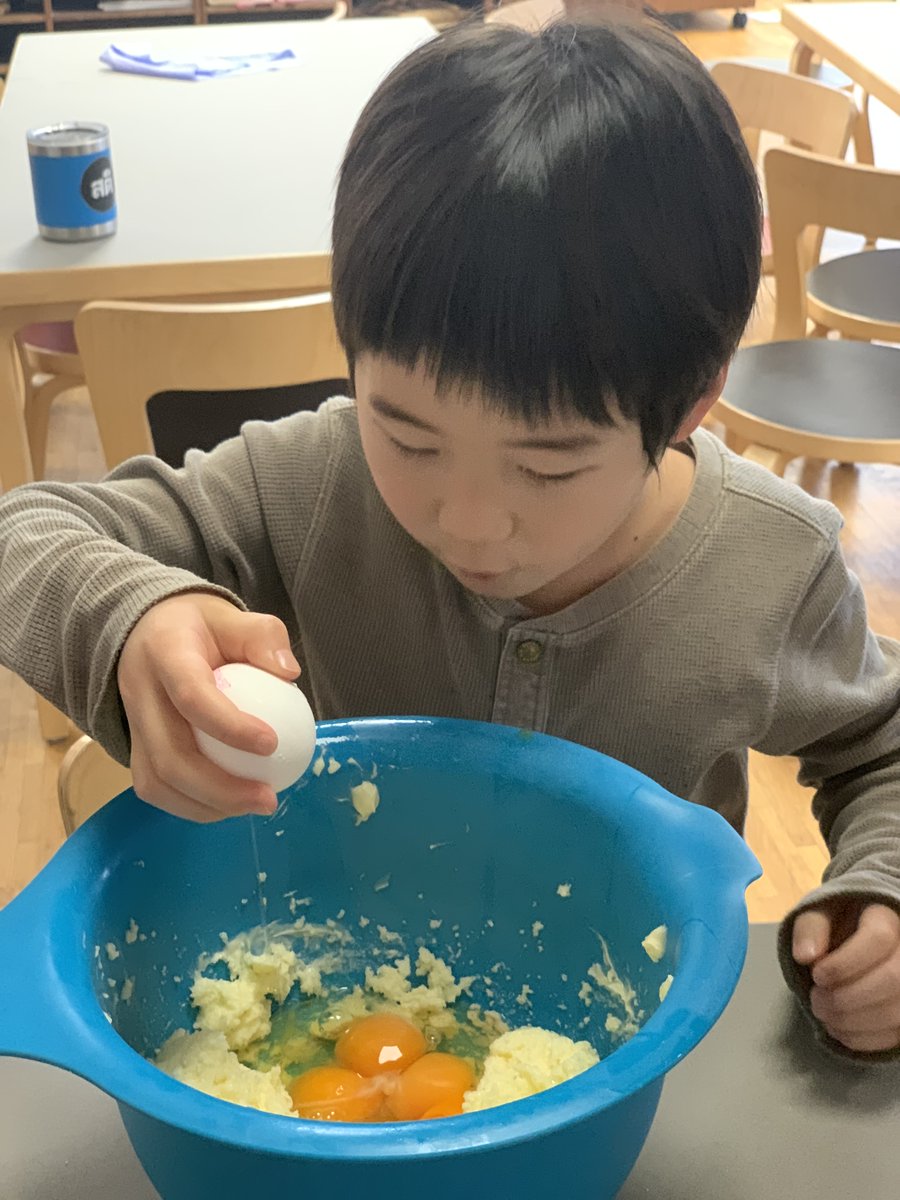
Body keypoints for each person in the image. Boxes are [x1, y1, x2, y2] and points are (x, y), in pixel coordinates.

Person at [1, 18, 898, 1059]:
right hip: (337, 1008)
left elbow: (879, 746)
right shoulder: (309, 483)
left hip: (635, 1053)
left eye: (549, 466)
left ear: (691, 404)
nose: (468, 521)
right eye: (408, 434)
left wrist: (881, 892)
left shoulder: (767, 566)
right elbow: (28, 529)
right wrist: (131, 615)